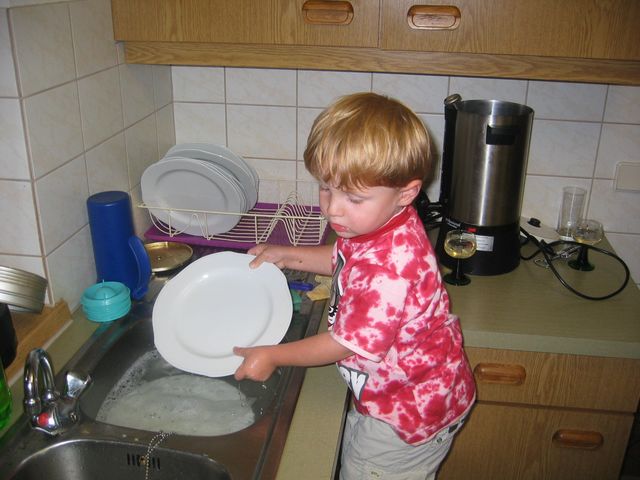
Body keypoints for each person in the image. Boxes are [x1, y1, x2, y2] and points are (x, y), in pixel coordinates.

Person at [233, 92, 476, 480]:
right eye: (326, 187)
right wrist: (288, 254)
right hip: (397, 391)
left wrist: (273, 355)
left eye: (354, 197)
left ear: (407, 193)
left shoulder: (391, 268)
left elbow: (344, 343)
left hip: (405, 418)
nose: (333, 208)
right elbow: (343, 260)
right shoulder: (379, 222)